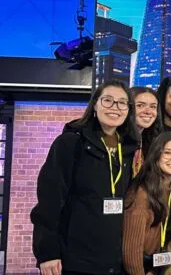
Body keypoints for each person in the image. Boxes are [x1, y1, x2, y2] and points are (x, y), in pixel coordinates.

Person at [31, 80, 139, 275]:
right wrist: (47, 252)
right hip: (75, 259)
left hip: (114, 260)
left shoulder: (130, 150)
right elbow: (50, 200)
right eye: (108, 100)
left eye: (122, 102)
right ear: (95, 105)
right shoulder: (71, 143)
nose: (115, 107)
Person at [122, 131, 171, 275]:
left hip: (155, 267)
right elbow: (131, 251)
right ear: (156, 156)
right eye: (167, 152)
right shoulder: (141, 193)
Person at [131, 86, 162, 177]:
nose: (148, 111)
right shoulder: (117, 139)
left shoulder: (152, 140)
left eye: (153, 107)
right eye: (140, 105)